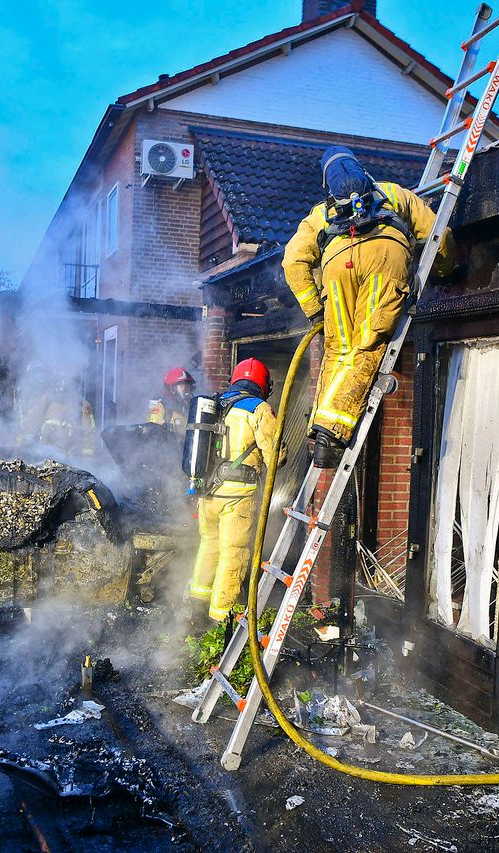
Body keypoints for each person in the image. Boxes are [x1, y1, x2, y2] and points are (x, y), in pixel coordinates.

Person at [283, 145, 456, 467]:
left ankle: (323, 433)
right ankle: (330, 432)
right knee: (367, 344)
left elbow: (293, 263)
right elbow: (438, 236)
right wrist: (446, 269)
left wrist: (314, 310)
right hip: (386, 260)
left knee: (338, 350)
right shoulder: (393, 193)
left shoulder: (320, 213)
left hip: (336, 268)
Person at [189, 358, 279, 623]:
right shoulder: (259, 409)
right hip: (237, 495)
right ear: (264, 385)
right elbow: (275, 455)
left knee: (208, 545)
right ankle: (221, 620)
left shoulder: (215, 404)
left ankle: (196, 606)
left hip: (207, 492)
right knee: (234, 553)